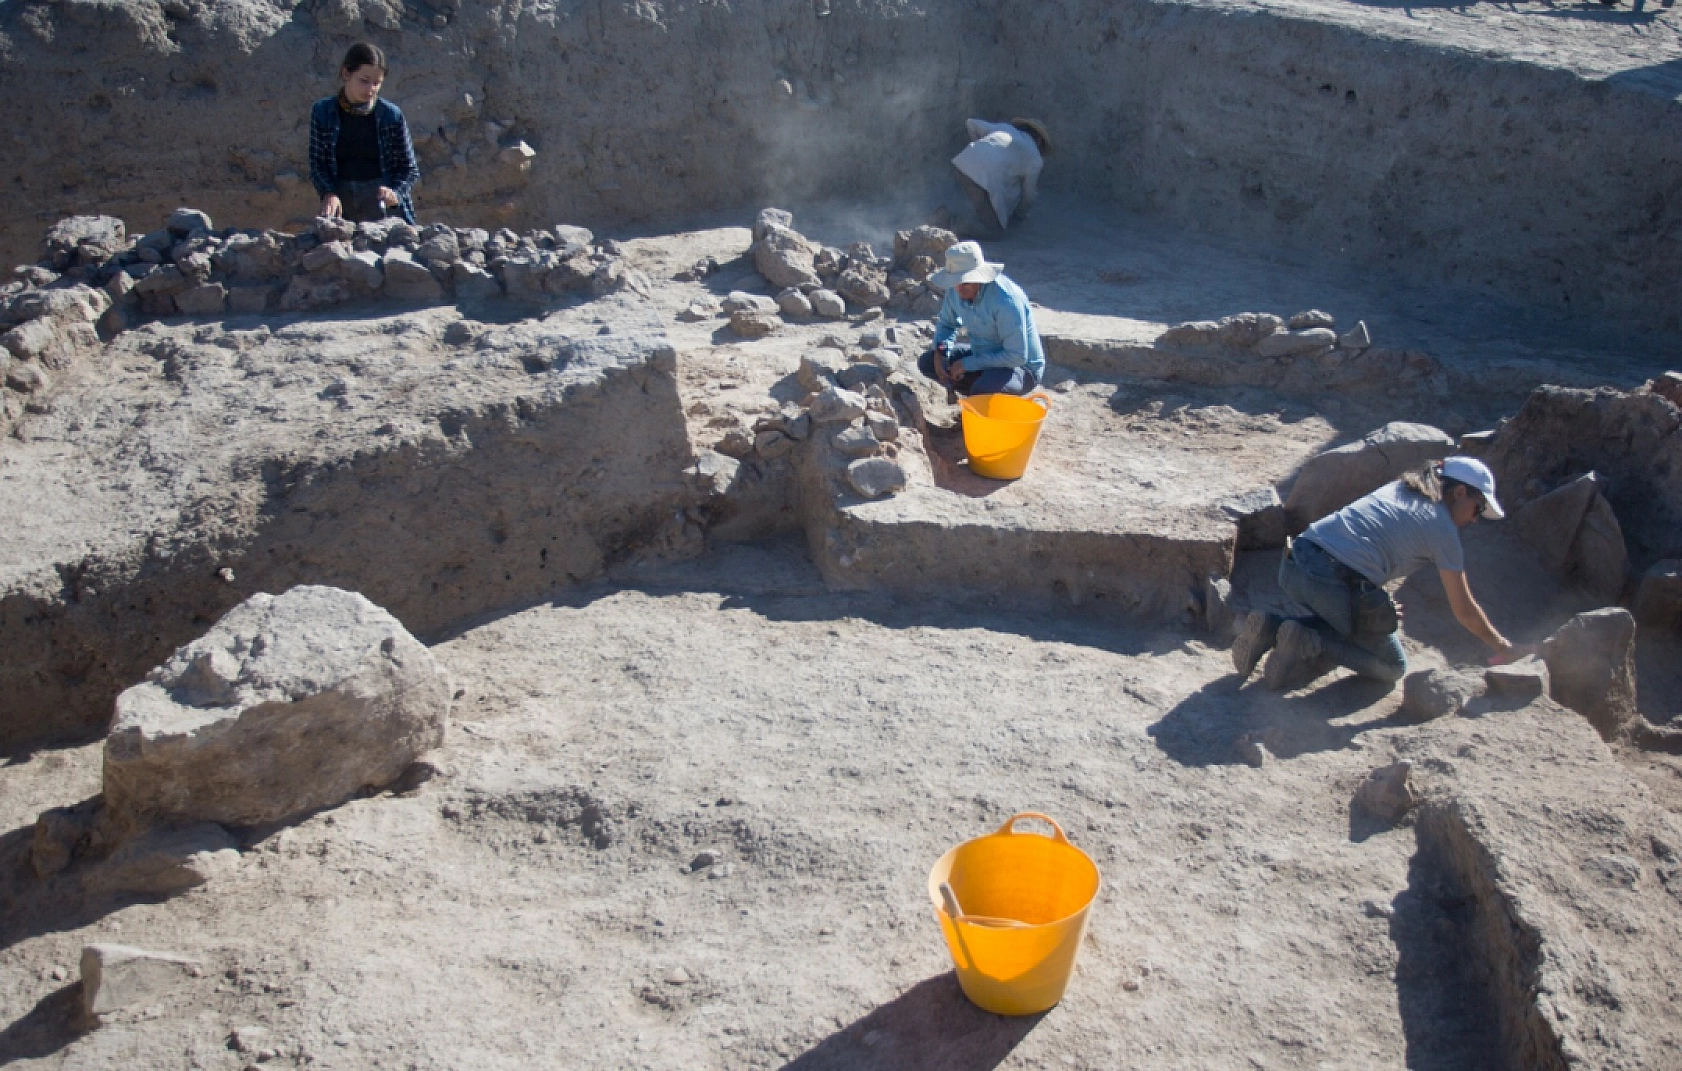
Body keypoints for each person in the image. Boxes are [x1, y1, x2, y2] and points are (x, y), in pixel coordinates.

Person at [1232, 456, 1523, 691]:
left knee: (1352, 619)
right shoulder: (1442, 528)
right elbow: (1465, 610)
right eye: (1478, 507)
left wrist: (1376, 606)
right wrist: (1504, 647)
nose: (1474, 518)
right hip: (1330, 582)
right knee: (1391, 666)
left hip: (1295, 561)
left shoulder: (1401, 489)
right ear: (1460, 492)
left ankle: (1272, 626)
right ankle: (1310, 641)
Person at [308, 43, 420, 225]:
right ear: (346, 74)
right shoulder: (323, 112)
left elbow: (409, 169)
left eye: (377, 83)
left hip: (381, 204)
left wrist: (395, 193)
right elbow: (317, 163)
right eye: (364, 80)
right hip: (341, 202)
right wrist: (328, 193)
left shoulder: (391, 116)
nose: (371, 89)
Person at [917, 241, 1045, 397]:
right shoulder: (956, 289)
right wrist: (941, 352)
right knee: (928, 363)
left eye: (965, 282)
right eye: (955, 281)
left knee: (983, 389)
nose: (959, 288)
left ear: (979, 276)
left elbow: (1016, 356)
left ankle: (986, 401)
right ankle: (978, 398)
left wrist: (967, 364)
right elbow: (947, 324)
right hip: (983, 354)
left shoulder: (1006, 301)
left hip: (1021, 368)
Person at [951, 118, 1050, 237]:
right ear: (1039, 141)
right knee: (994, 231)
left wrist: (979, 149)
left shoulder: (1005, 128)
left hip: (962, 163)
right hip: (979, 181)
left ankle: (950, 217)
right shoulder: (1035, 158)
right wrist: (1019, 215)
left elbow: (971, 123)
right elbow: (1028, 195)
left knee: (983, 205)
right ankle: (952, 223)